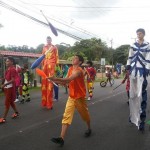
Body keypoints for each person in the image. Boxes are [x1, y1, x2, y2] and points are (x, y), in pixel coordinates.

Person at [49, 55, 91, 146]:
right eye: (73, 58)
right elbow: (66, 82)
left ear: (80, 62)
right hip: (71, 97)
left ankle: (89, 128)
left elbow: (69, 79)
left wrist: (55, 78)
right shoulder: (70, 69)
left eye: (75, 58)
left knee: (85, 115)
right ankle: (61, 138)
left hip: (80, 97)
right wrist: (54, 81)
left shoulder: (79, 71)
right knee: (66, 116)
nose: (73, 59)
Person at [126, 28, 150, 131]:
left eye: (140, 33)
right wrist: (128, 65)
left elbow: (149, 57)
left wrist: (147, 68)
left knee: (141, 96)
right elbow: (130, 56)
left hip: (142, 72)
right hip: (133, 71)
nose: (138, 35)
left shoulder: (148, 45)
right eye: (137, 33)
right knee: (132, 95)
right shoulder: (133, 44)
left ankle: (142, 120)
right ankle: (133, 116)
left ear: (143, 34)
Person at [0, 57, 19, 124]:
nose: (6, 62)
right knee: (11, 102)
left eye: (8, 61)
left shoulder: (13, 69)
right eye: (6, 61)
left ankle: (4, 118)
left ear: (12, 62)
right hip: (6, 88)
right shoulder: (8, 69)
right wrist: (3, 82)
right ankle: (16, 113)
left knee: (7, 103)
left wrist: (5, 85)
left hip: (9, 88)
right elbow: (6, 78)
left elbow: (13, 80)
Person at [41, 36, 59, 109]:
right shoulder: (44, 47)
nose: (48, 40)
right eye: (47, 39)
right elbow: (42, 55)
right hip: (45, 64)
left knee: (50, 83)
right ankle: (44, 102)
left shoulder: (54, 47)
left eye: (49, 39)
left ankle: (49, 104)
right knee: (44, 83)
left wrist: (56, 65)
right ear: (46, 40)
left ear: (51, 40)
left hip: (51, 64)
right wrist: (42, 63)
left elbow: (57, 56)